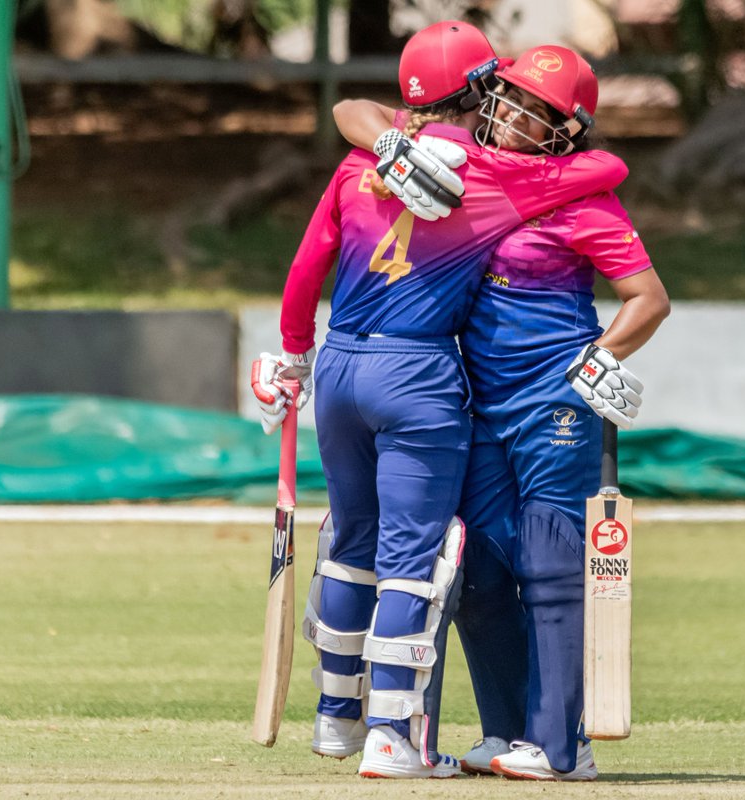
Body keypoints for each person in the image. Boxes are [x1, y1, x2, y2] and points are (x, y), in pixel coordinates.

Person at [252, 21, 631, 780]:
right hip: (418, 376)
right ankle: (395, 737)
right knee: (414, 555)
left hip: (340, 367)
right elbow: (604, 167)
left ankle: (336, 719)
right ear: (483, 89)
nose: (512, 110)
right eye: (503, 91)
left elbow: (308, 258)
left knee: (352, 542)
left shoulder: (361, 159)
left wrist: (292, 355)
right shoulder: (496, 176)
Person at [333, 45, 670, 782]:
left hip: (555, 397)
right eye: (510, 98)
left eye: (537, 110)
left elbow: (649, 299)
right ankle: (508, 730)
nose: (516, 116)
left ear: (565, 129)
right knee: (479, 566)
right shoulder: (462, 163)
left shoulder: (586, 198)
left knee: (549, 562)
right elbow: (350, 110)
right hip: (478, 399)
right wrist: (392, 145)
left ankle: (562, 747)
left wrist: (600, 358)